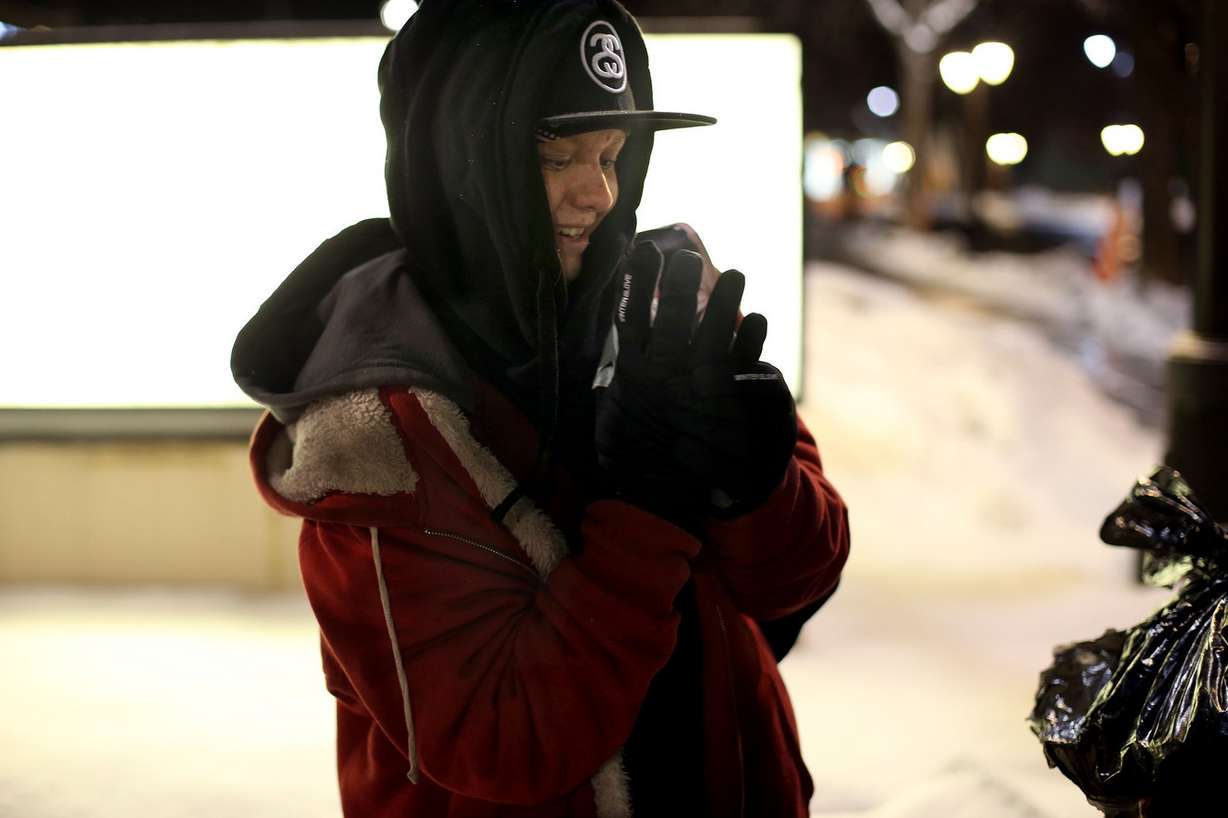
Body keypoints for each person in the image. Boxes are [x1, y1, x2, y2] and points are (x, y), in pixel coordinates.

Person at [231, 1, 849, 815]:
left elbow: (794, 584)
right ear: (458, 160)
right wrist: (650, 509)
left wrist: (759, 475)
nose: (596, 192)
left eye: (613, 153)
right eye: (558, 155)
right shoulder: (375, 429)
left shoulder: (667, 306)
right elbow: (503, 741)